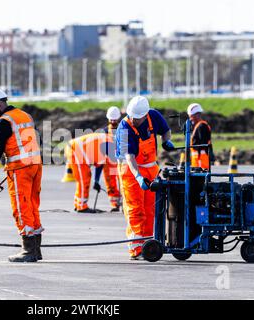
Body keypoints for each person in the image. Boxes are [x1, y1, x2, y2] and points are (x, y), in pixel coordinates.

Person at [0, 89, 43, 263]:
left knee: (21, 206)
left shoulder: (3, 122)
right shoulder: (25, 115)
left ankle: (28, 250)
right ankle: (36, 249)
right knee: (32, 205)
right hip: (35, 165)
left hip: (20, 169)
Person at [116, 96, 175, 260]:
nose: (133, 120)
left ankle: (148, 246)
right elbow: (130, 157)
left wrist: (166, 141)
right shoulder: (124, 128)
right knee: (135, 209)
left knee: (151, 209)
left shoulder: (154, 116)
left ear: (145, 115)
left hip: (151, 168)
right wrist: (138, 177)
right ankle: (136, 248)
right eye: (131, 116)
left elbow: (166, 131)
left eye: (137, 118)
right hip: (130, 171)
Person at [65, 132, 115, 213]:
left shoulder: (107, 140)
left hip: (75, 149)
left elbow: (100, 164)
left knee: (84, 178)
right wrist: (96, 181)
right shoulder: (109, 144)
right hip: (75, 150)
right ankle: (81, 207)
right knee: (83, 179)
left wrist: (96, 181)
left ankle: (78, 204)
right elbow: (101, 163)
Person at [92, 106, 122, 212]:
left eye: (115, 119)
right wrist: (96, 179)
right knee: (111, 185)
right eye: (111, 119)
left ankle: (126, 204)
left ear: (118, 118)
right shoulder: (104, 132)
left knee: (124, 184)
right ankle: (115, 204)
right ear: (108, 119)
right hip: (108, 165)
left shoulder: (124, 130)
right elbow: (100, 157)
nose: (113, 121)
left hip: (122, 163)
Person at [187, 103, 214, 170]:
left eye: (191, 116)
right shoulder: (199, 126)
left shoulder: (201, 126)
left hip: (200, 161)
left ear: (197, 115)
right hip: (199, 160)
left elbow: (203, 144)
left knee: (200, 179)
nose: (190, 119)